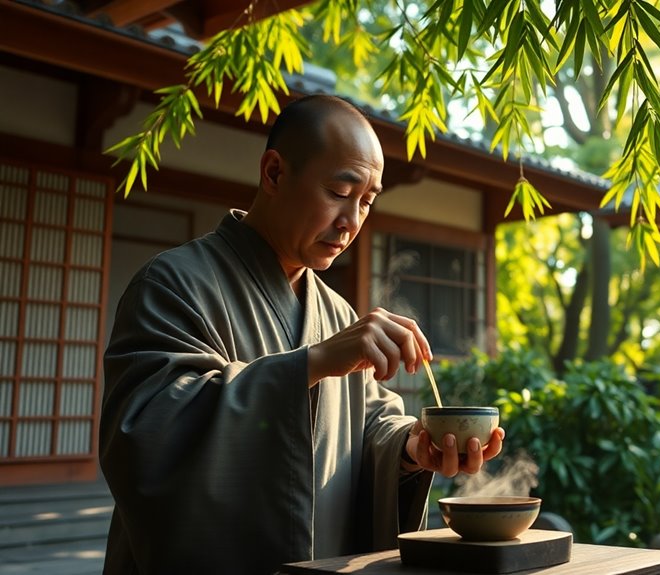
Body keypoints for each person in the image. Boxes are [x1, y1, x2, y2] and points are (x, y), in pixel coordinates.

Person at [99, 95, 505, 575]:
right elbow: (145, 435)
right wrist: (311, 364)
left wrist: (413, 450)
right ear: (274, 173)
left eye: (367, 201)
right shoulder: (173, 284)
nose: (352, 221)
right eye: (339, 191)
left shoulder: (336, 312)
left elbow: (370, 424)